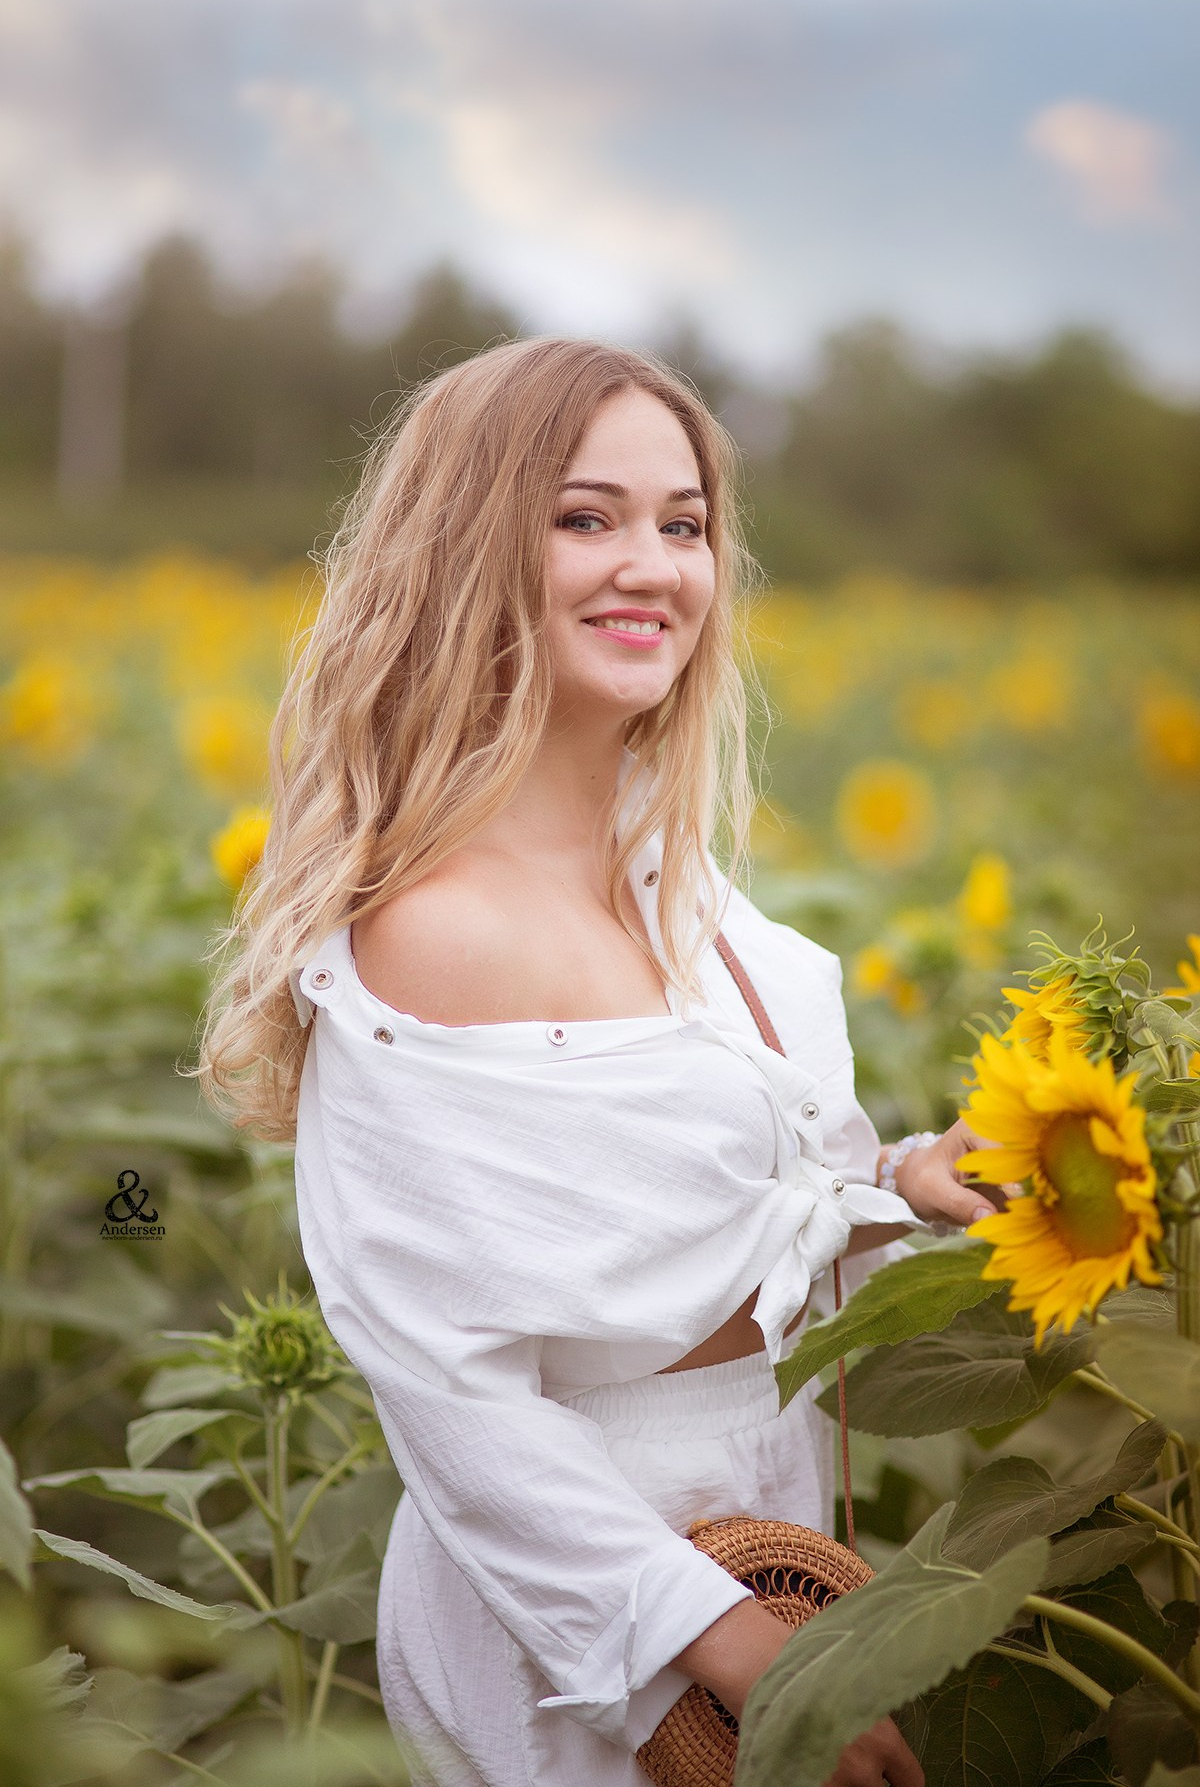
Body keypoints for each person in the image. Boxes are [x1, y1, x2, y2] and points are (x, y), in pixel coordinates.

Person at [196, 336, 1003, 1787]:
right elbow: (455, 1396)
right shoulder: (434, 933)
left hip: (772, 1509)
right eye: (587, 518)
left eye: (681, 524)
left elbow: (728, 1225)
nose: (653, 565)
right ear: (466, 551)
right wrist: (728, 1647)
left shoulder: (670, 875)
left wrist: (898, 1187)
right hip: (588, 1608)